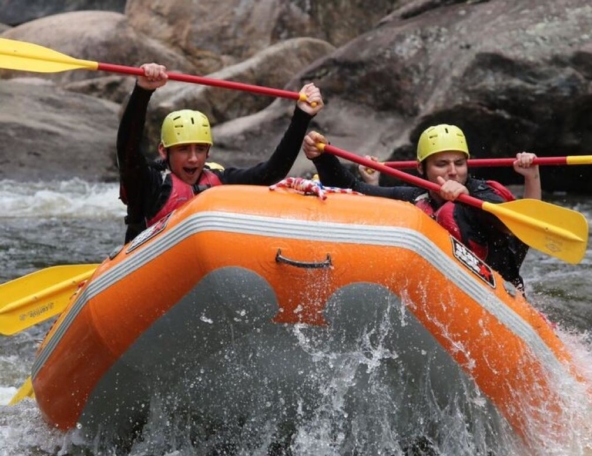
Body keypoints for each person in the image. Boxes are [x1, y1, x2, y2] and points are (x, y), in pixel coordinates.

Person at [302, 124, 540, 289]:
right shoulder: (417, 197)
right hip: (446, 286)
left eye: (459, 163)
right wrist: (322, 156)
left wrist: (531, 177)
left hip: (500, 290)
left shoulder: (481, 192)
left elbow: (522, 228)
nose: (453, 171)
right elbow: (353, 188)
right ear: (421, 169)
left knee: (451, 212)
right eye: (441, 164)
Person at [117, 63, 324, 243]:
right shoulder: (148, 183)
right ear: (163, 151)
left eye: (200, 149)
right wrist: (142, 91)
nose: (193, 158)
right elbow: (127, 149)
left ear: (209, 152)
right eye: (183, 149)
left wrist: (302, 116)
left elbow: (272, 172)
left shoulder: (220, 181)